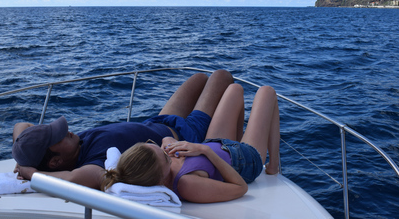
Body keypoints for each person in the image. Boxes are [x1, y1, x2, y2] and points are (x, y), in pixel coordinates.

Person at [12, 70, 234, 190]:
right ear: (55, 163)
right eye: (58, 136)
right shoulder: (95, 162)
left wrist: (24, 158)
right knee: (222, 77)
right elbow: (71, 180)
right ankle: (236, 149)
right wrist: (32, 173)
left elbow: (21, 126)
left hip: (156, 121)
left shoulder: (74, 146)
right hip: (185, 134)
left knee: (199, 78)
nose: (66, 131)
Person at [102, 83, 280, 203]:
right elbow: (240, 188)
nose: (166, 151)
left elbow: (165, 143)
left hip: (215, 143)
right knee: (267, 92)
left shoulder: (152, 166)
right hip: (243, 161)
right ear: (161, 177)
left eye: (154, 145)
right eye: (165, 157)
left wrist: (168, 140)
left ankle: (240, 135)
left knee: (234, 88)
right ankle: (273, 165)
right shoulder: (186, 184)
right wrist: (205, 151)